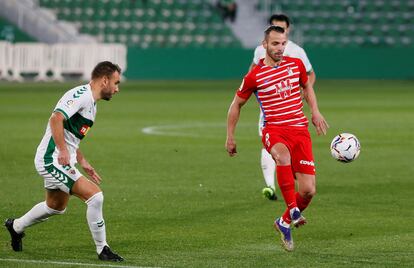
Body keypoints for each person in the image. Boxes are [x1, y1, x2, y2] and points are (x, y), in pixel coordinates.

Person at [4, 61, 124, 262]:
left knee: (55, 206)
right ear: (104, 80)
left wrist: (82, 161)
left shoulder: (92, 104)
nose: (117, 89)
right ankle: (103, 249)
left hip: (60, 159)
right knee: (95, 197)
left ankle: (15, 226)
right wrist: (61, 151)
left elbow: (70, 138)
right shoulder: (81, 95)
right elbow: (56, 118)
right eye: (116, 82)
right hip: (50, 159)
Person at [226, 26, 328, 251]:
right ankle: (292, 209)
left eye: (283, 43)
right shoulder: (254, 76)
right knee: (281, 156)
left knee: (308, 190)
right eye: (275, 44)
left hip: (300, 131)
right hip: (274, 129)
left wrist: (316, 111)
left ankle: (283, 222)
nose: (280, 48)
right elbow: (236, 105)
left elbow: (307, 87)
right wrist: (230, 136)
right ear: (264, 45)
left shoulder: (296, 65)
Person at [250, 14, 316, 201]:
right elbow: (252, 73)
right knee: (269, 144)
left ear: (288, 30)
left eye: (283, 28)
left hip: (292, 110)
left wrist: (305, 90)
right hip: (270, 110)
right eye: (274, 27)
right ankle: (270, 185)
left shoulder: (297, 52)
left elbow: (311, 75)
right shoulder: (259, 50)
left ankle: (294, 177)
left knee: (291, 148)